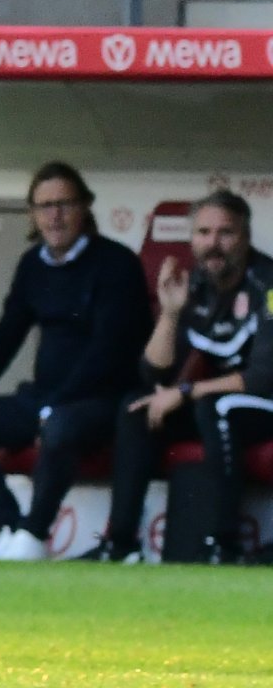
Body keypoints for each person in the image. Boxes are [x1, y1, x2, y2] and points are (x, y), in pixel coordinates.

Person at [0, 162, 149, 561]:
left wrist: (55, 406)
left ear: (84, 207)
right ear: (33, 213)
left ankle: (33, 537)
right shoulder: (32, 265)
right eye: (44, 206)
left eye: (64, 204)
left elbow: (109, 349)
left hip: (101, 401)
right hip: (45, 399)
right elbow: (6, 333)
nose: (55, 215)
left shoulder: (116, 263)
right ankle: (11, 527)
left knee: (61, 428)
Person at [79, 191, 273, 564]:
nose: (212, 244)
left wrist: (185, 391)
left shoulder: (268, 284)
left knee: (215, 407)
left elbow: (263, 378)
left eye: (225, 233)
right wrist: (169, 314)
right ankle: (120, 543)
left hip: (260, 403)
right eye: (203, 232)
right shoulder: (195, 285)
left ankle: (224, 545)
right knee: (138, 407)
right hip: (218, 404)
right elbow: (154, 372)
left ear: (246, 237)